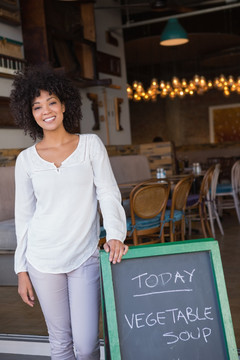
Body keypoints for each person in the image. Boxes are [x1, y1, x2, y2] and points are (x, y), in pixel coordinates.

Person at [10, 64, 128, 360]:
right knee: (60, 342)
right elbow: (23, 216)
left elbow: (108, 192)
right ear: (30, 114)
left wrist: (115, 235)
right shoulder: (26, 161)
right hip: (41, 259)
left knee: (87, 345)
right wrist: (21, 270)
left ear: (64, 105)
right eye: (37, 106)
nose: (46, 110)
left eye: (51, 102)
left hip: (84, 256)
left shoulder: (90, 146)